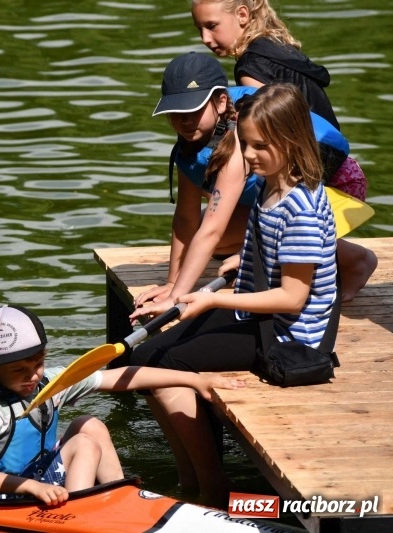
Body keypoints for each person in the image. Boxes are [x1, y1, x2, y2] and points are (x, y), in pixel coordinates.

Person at [128, 83, 338, 507]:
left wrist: (213, 299)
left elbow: (293, 299)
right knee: (142, 357)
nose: (248, 156)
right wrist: (244, 260)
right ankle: (188, 476)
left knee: (166, 362)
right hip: (260, 319)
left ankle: (209, 487)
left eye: (260, 146)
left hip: (290, 340)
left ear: (291, 141)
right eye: (246, 144)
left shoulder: (300, 208)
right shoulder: (269, 186)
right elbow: (272, 253)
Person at [0, 304, 245, 506]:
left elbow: (121, 377)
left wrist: (194, 380)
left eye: (38, 364)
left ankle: (120, 499)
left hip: (38, 478)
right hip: (5, 496)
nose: (32, 376)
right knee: (84, 444)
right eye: (18, 371)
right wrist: (33, 487)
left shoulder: (50, 383)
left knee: (89, 425)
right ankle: (79, 515)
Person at [190, 0, 377, 301]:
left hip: (328, 188)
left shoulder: (250, 71)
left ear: (242, 15)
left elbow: (273, 149)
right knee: (215, 223)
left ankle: (355, 260)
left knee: (216, 230)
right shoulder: (275, 47)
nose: (205, 39)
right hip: (342, 172)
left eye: (211, 26)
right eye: (199, 29)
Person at [131, 52, 258, 320]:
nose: (184, 120)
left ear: (221, 103)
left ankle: (353, 261)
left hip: (331, 194)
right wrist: (171, 283)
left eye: (193, 110)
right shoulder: (191, 143)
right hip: (260, 203)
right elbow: (186, 218)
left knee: (215, 237)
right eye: (176, 112)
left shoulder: (236, 143)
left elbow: (211, 230)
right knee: (215, 243)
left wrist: (177, 299)